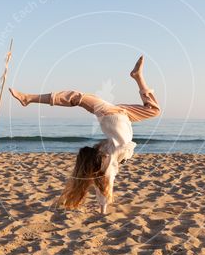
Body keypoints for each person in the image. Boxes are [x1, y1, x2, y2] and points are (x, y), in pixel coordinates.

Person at [9, 56, 160, 214]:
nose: (97, 148)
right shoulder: (110, 159)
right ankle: (138, 76)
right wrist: (103, 208)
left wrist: (103, 207)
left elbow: (104, 184)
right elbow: (107, 183)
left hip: (112, 113)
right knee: (153, 110)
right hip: (121, 114)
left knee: (76, 97)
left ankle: (29, 98)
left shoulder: (109, 151)